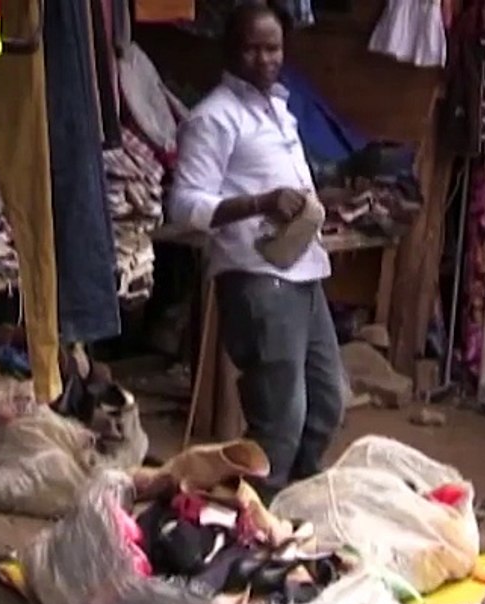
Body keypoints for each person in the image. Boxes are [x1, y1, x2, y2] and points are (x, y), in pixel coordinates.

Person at [168, 0, 343, 499]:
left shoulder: (279, 110)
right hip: (257, 278)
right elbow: (184, 205)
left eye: (274, 49)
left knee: (327, 402)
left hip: (303, 272)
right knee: (279, 417)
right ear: (230, 50)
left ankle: (292, 504)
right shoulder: (214, 118)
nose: (265, 59)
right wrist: (260, 202)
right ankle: (255, 516)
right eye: (253, 49)